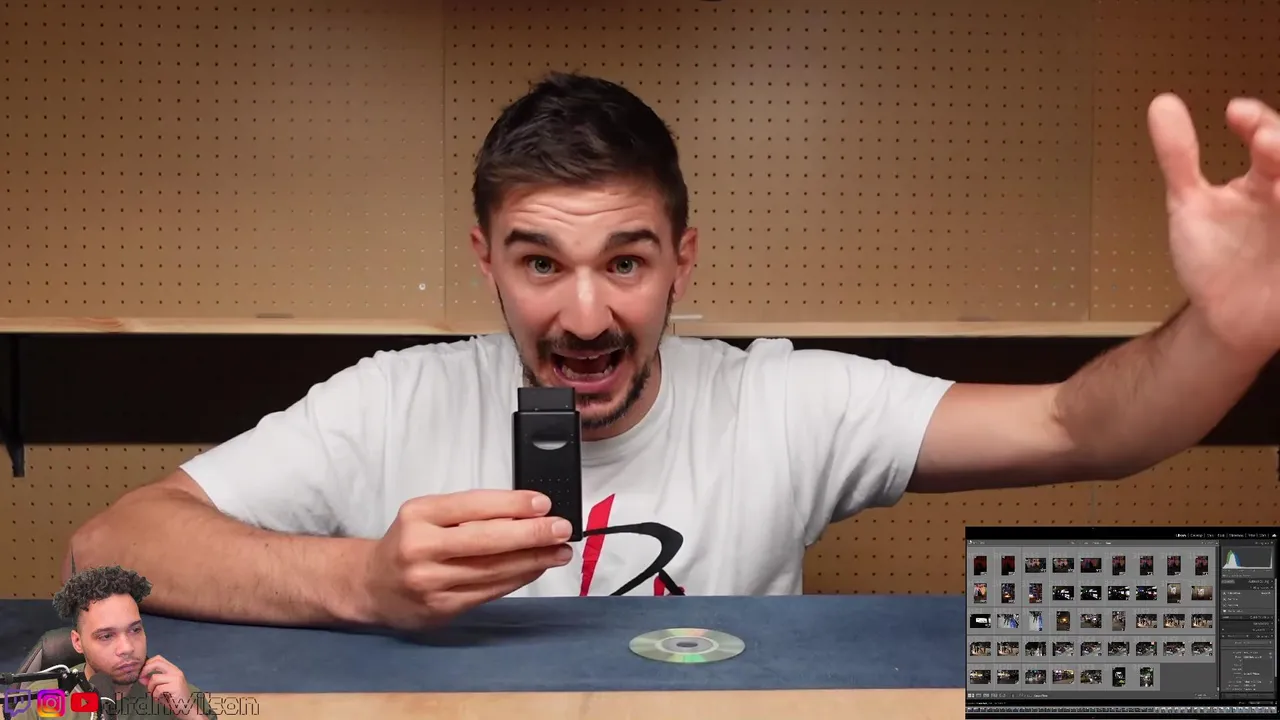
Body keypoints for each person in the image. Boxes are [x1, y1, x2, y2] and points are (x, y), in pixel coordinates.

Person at [65, 73, 1280, 631]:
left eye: (625, 262)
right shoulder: (387, 401)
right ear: (485, 262)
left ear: (681, 262)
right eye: (540, 263)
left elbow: (1081, 426)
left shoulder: (782, 401)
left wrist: (1224, 332)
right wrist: (362, 583)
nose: (586, 315)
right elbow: (107, 546)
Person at [10, 566, 217, 719]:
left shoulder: (178, 695)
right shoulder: (41, 701)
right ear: (77, 642)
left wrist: (190, 713)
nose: (127, 648)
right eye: (106, 636)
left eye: (135, 630)